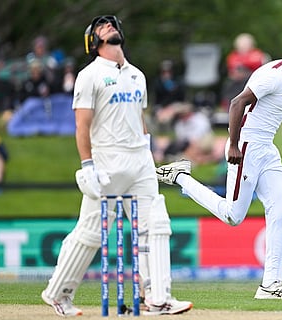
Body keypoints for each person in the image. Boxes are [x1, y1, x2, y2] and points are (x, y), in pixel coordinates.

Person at [157, 33, 282, 299]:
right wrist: (234, 145)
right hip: (246, 147)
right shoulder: (275, 73)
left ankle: (270, 285)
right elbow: (237, 103)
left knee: (280, 212)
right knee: (233, 216)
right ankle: (181, 177)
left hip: (266, 149)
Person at [41, 15, 192, 316]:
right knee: (92, 231)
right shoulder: (90, 75)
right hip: (107, 160)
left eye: (112, 25)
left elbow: (140, 118)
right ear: (93, 42)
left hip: (140, 161)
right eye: (102, 27)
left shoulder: (137, 75)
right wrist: (87, 166)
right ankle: (58, 293)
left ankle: (157, 298)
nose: (109, 28)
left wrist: (150, 155)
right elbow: (82, 126)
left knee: (155, 225)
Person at [155, 102, 225, 165]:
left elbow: (199, 136)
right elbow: (181, 139)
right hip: (189, 144)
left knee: (196, 145)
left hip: (203, 140)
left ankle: (200, 158)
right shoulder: (180, 124)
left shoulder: (199, 119)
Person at [220, 33, 269, 110]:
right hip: (236, 81)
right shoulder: (233, 56)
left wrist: (243, 64)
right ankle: (228, 105)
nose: (243, 47)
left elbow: (258, 63)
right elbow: (231, 68)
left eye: (245, 44)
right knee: (228, 84)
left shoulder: (257, 54)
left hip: (252, 79)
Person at [151, 59, 186, 131]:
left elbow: (181, 98)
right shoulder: (158, 83)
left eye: (168, 72)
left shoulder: (178, 82)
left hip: (175, 105)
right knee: (160, 114)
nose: (166, 74)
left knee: (173, 110)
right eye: (164, 72)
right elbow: (157, 99)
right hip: (162, 106)